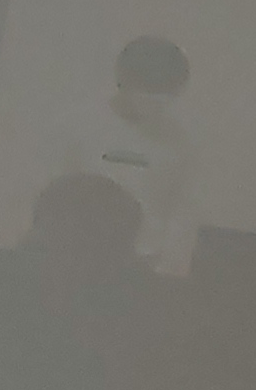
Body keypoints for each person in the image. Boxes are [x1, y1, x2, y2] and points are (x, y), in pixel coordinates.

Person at [34, 35, 199, 271]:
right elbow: (48, 200)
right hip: (75, 258)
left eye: (164, 98)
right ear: (124, 81)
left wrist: (168, 262)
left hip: (144, 263)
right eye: (147, 94)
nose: (154, 104)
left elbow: (181, 210)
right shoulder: (76, 127)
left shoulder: (178, 142)